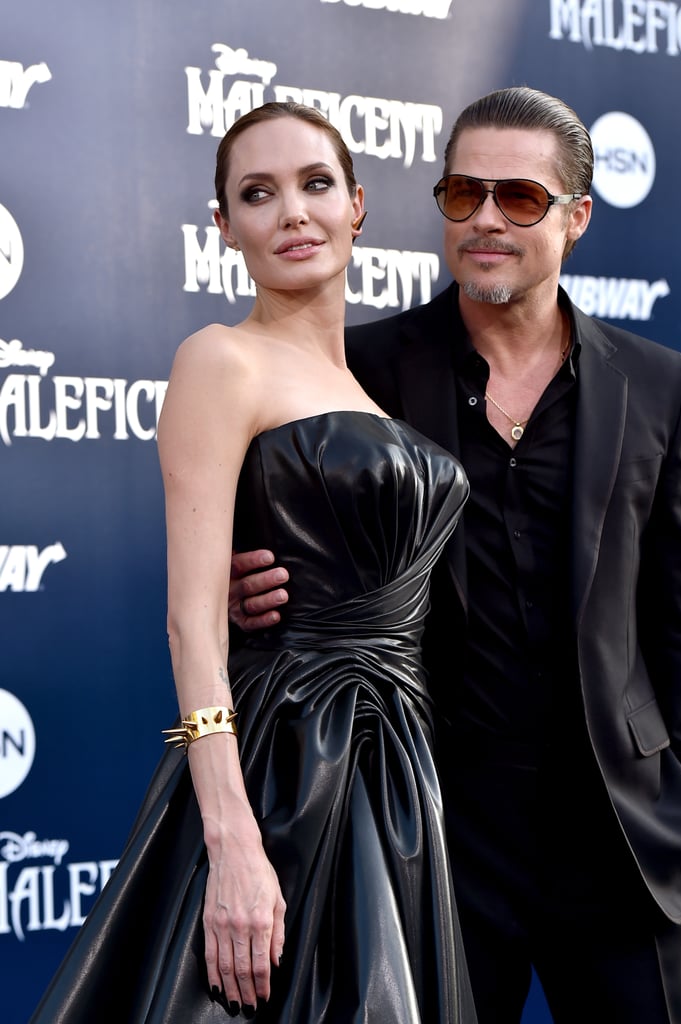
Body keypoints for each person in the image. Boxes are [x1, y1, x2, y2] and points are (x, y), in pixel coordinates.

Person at [229, 87, 681, 1024]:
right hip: (433, 835)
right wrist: (234, 584)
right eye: (463, 194)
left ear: (576, 219)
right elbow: (263, 550)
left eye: (520, 199)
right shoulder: (357, 368)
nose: (486, 219)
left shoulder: (657, 382)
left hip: (622, 840)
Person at [30, 102, 477, 1023]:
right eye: (257, 194)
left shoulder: (374, 389)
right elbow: (192, 625)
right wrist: (232, 838)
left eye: (315, 186)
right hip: (285, 768)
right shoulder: (220, 361)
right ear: (223, 226)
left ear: (358, 205)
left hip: (397, 767)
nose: (293, 214)